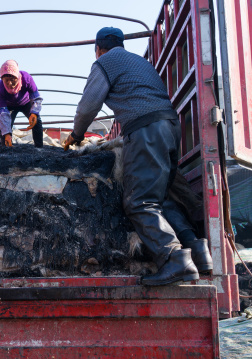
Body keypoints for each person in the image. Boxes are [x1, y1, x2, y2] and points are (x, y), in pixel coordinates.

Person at [65, 27, 213, 286]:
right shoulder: (139, 61)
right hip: (169, 127)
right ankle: (197, 252)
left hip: (145, 131)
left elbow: (89, 105)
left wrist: (76, 135)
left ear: (98, 48)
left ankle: (174, 260)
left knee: (139, 203)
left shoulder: (104, 62)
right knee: (161, 199)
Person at [0, 60, 44, 147]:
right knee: (4, 129)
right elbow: (3, 113)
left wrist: (34, 113)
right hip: (9, 106)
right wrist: (7, 134)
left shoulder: (26, 78)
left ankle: (39, 148)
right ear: (2, 79)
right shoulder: (0, 89)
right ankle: (5, 148)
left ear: (18, 76)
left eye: (12, 79)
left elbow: (36, 98)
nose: (10, 83)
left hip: (26, 103)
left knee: (36, 121)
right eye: (6, 80)